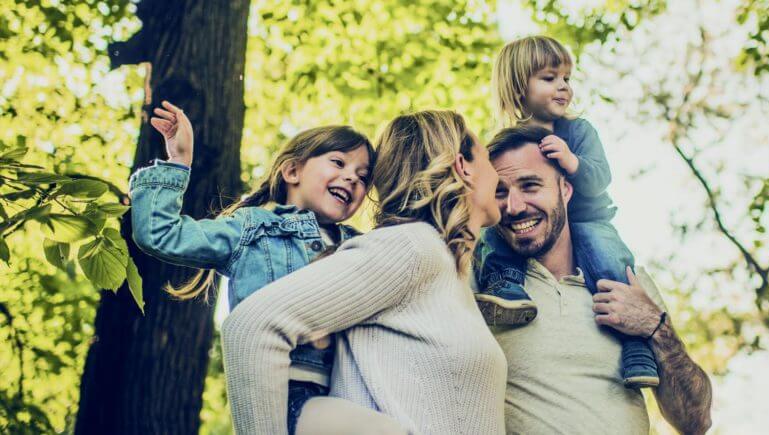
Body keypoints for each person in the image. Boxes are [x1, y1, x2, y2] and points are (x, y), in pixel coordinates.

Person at [221, 110, 509, 434]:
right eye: (488, 158)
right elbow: (251, 325)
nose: (499, 177)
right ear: (462, 166)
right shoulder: (410, 248)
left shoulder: (445, 269)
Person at [130, 101, 375, 434]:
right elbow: (160, 234)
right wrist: (178, 162)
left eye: (363, 177)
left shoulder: (360, 247)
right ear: (293, 172)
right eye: (338, 162)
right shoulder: (252, 229)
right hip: (284, 395)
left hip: (349, 390)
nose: (351, 177)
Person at [484, 125, 714, 434]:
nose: (514, 206)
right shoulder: (483, 285)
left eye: (530, 186)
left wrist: (656, 328)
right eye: (500, 192)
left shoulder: (627, 281)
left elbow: (695, 420)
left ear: (565, 190)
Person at [475, 34, 660, 388]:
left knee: (609, 260)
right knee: (492, 232)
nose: (563, 87)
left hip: (587, 220)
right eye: (549, 78)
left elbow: (601, 178)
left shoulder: (578, 131)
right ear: (517, 88)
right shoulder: (505, 143)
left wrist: (571, 162)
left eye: (566, 79)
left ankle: (635, 346)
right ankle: (505, 286)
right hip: (534, 229)